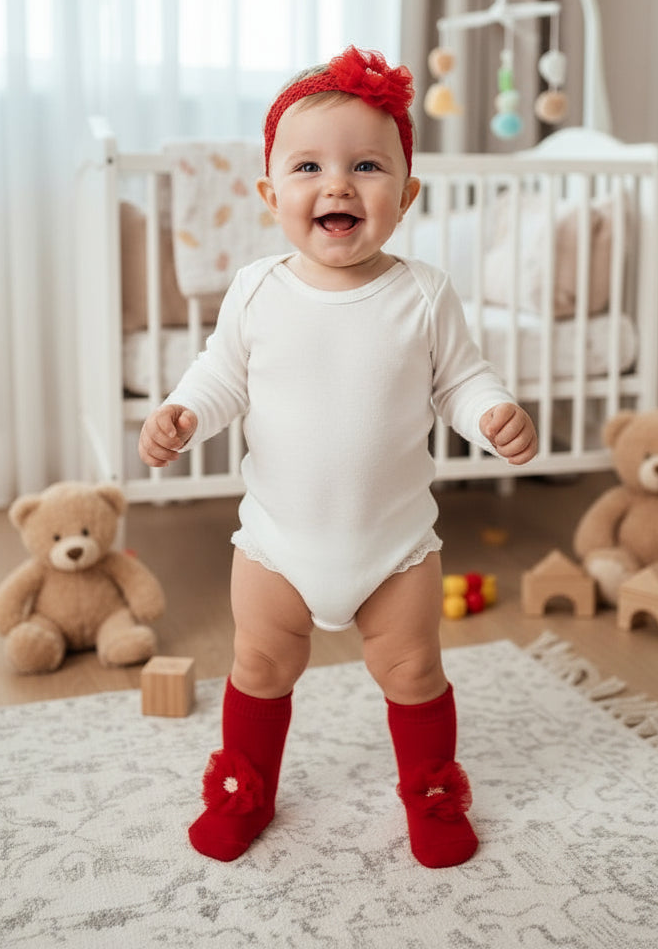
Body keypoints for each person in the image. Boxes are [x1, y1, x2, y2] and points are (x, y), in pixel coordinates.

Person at [138, 46, 538, 868]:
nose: (338, 185)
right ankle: (244, 788)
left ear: (407, 193)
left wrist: (491, 413)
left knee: (414, 669)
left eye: (367, 165)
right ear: (270, 194)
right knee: (258, 663)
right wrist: (184, 413)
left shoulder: (422, 294)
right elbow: (221, 376)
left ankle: (431, 792)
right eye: (309, 166)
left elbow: (460, 381)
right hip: (278, 544)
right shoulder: (256, 289)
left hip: (392, 550)